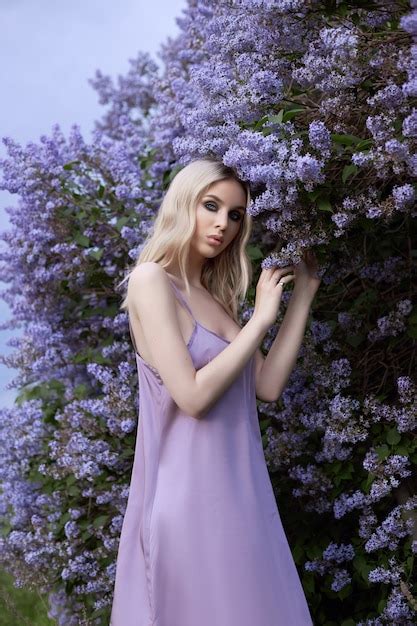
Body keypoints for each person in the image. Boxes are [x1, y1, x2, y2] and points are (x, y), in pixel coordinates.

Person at [110, 157, 320, 626]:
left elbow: (266, 386)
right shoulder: (150, 281)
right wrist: (260, 320)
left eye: (235, 215)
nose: (223, 224)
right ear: (185, 203)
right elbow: (193, 397)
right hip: (187, 504)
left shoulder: (215, 296)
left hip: (242, 497)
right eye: (212, 206)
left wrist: (302, 294)